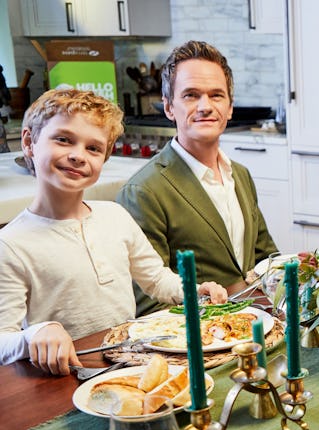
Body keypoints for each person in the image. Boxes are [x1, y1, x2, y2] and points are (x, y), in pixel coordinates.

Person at [0, 88, 227, 376]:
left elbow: (156, 279)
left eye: (93, 148)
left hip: (130, 365)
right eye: (63, 140)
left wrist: (193, 292)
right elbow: (2, 340)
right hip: (64, 378)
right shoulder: (11, 244)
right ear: (30, 142)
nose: (78, 156)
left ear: (104, 158)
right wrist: (33, 334)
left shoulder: (115, 216)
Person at [117, 40, 277, 316]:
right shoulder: (144, 191)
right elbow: (148, 304)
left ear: (229, 107)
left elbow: (266, 260)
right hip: (199, 345)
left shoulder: (240, 174)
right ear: (168, 107)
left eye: (216, 95)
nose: (205, 106)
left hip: (259, 328)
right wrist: (229, 308)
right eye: (191, 95)